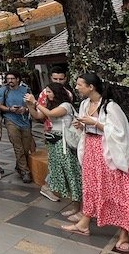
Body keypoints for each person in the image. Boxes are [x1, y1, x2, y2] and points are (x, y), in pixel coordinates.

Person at [61, 73, 129, 252]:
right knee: (91, 188)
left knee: (118, 192)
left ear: (91, 87)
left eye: (79, 84)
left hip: (109, 154)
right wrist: (83, 126)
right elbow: (87, 128)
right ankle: (84, 223)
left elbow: (120, 132)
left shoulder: (110, 106)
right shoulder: (84, 104)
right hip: (91, 151)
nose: (76, 87)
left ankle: (124, 234)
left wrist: (96, 123)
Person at [25, 83, 82, 215]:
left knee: (71, 173)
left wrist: (36, 102)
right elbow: (39, 116)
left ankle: (77, 207)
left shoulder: (65, 106)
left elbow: (49, 113)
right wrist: (30, 105)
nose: (47, 95)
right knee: (60, 172)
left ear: (56, 92)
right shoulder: (52, 105)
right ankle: (75, 205)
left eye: (49, 92)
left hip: (64, 145)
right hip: (54, 143)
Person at [36, 66, 74, 203]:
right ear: (50, 78)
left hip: (68, 133)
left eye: (61, 79)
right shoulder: (44, 94)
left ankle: (58, 187)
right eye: (55, 79)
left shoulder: (68, 92)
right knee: (56, 163)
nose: (58, 81)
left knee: (65, 163)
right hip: (53, 133)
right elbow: (41, 114)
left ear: (66, 78)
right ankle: (48, 186)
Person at [0, 71, 33, 183]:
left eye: (12, 78)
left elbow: (31, 105)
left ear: (18, 79)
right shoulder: (3, 90)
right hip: (10, 119)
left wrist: (25, 109)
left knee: (26, 147)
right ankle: (25, 172)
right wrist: (9, 109)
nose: (10, 81)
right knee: (18, 147)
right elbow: (0, 105)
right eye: (8, 78)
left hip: (24, 120)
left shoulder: (25, 89)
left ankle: (19, 166)